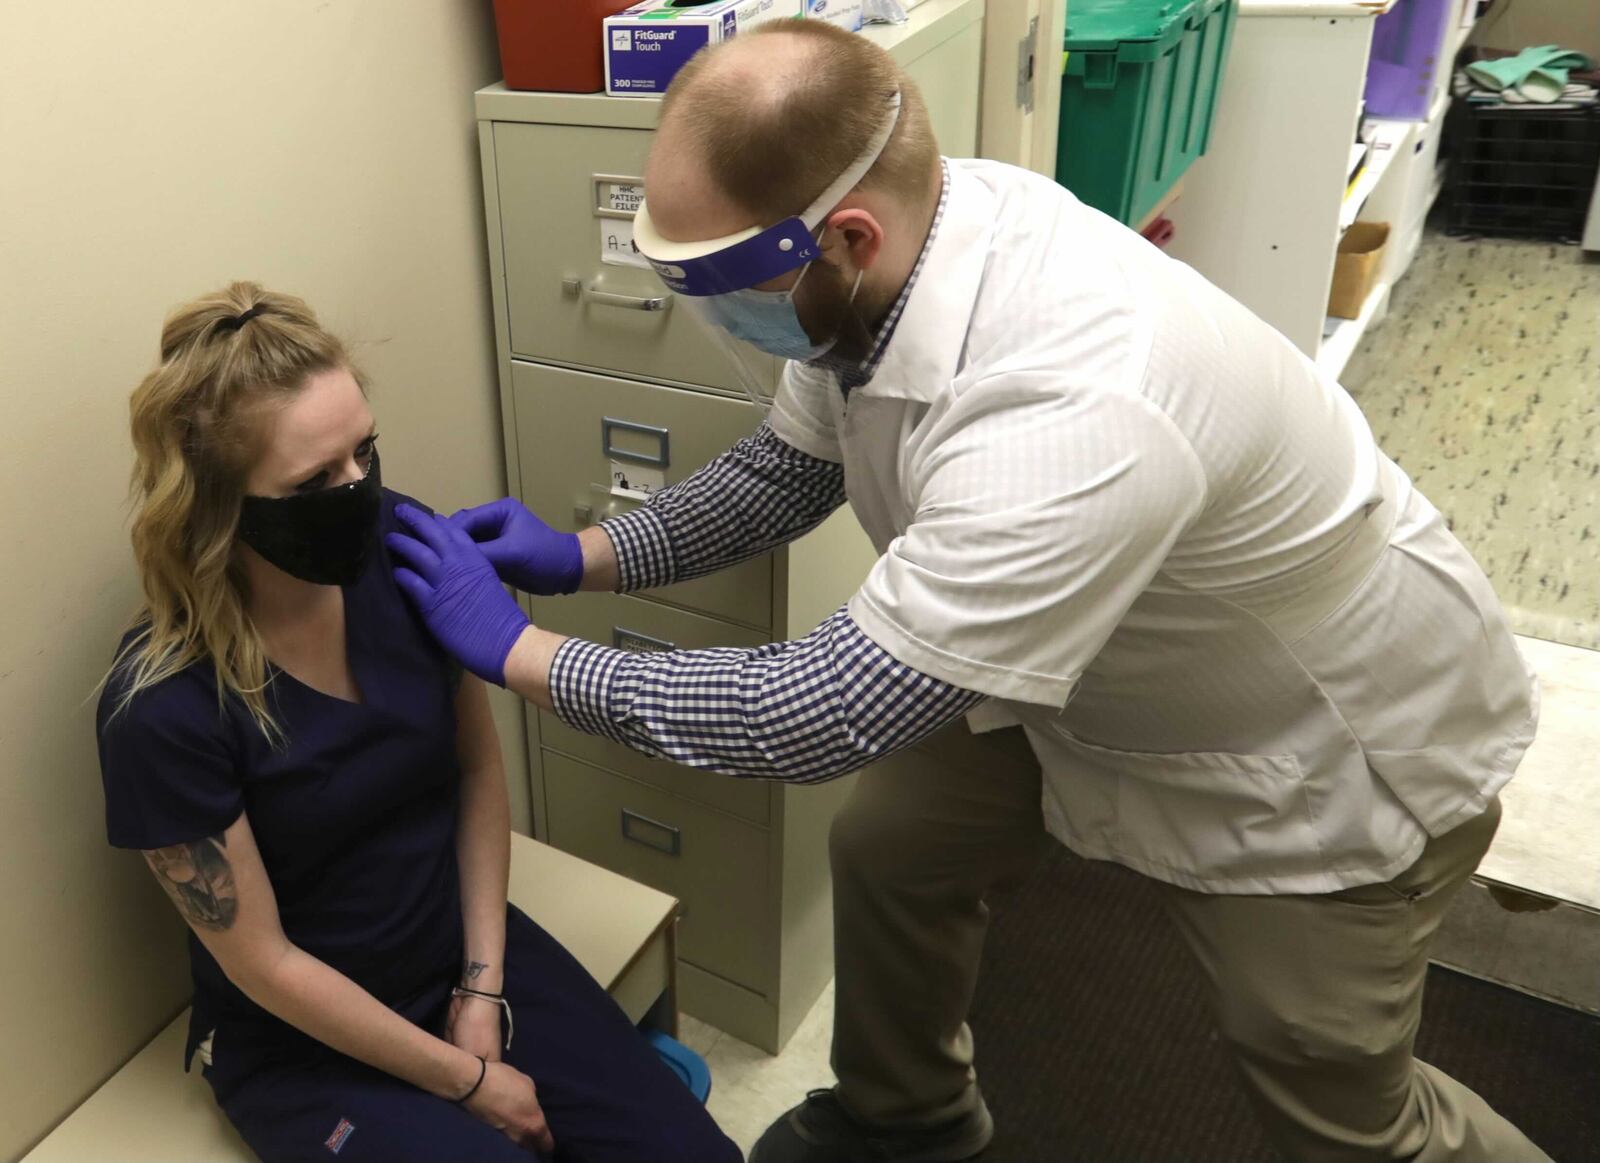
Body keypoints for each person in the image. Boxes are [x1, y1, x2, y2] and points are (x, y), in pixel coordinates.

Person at [385, 20, 1550, 1163]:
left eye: (716, 278)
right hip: (1084, 662)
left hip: (1307, 735)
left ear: (843, 233)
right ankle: (907, 1118)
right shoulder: (899, 251)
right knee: (893, 845)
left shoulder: (1076, 396)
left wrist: (523, 654)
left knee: (1326, 1081)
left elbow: (821, 708)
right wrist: (590, 556)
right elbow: (789, 467)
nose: (701, 310)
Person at [96, 283, 741, 1163]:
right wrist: (468, 1080)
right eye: (315, 480)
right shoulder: (160, 707)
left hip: (458, 950)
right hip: (303, 1044)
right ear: (219, 507)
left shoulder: (399, 549)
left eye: (364, 452)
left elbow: (476, 771)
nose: (358, 491)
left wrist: (480, 986)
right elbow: (264, 964)